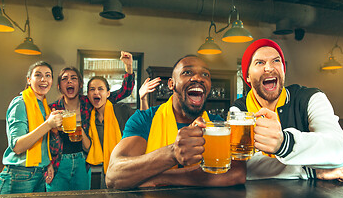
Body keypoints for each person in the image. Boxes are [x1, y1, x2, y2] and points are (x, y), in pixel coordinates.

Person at [105, 55, 247, 190]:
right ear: (171, 84)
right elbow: (113, 176)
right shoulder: (144, 119)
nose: (198, 78)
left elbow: (237, 173)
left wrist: (159, 178)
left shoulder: (218, 125)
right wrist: (172, 153)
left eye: (205, 75)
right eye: (187, 72)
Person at [232, 38, 343, 182]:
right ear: (247, 76)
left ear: (283, 70)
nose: (269, 68)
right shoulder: (239, 109)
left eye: (276, 61)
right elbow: (243, 167)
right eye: (260, 62)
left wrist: (284, 143)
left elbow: (339, 149)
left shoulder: (311, 97)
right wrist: (308, 170)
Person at [46, 51, 136, 192]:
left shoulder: (89, 102)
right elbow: (44, 140)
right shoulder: (52, 108)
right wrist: (48, 164)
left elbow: (124, 91)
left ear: (80, 84)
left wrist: (129, 68)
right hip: (59, 162)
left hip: (83, 162)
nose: (69, 81)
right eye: (65, 79)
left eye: (73, 78)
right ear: (59, 86)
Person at [0, 61, 63, 194]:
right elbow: (18, 146)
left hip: (39, 174)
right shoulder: (20, 103)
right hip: (19, 175)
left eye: (48, 75)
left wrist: (47, 162)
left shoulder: (44, 107)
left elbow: (42, 143)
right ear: (29, 80)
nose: (43, 79)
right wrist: (48, 124)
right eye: (38, 75)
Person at [85, 76, 160, 188]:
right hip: (105, 172)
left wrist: (143, 98)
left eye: (100, 89)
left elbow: (143, 121)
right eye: (92, 89)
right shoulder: (89, 119)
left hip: (128, 168)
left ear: (108, 93)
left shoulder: (121, 110)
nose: (96, 92)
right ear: (88, 95)